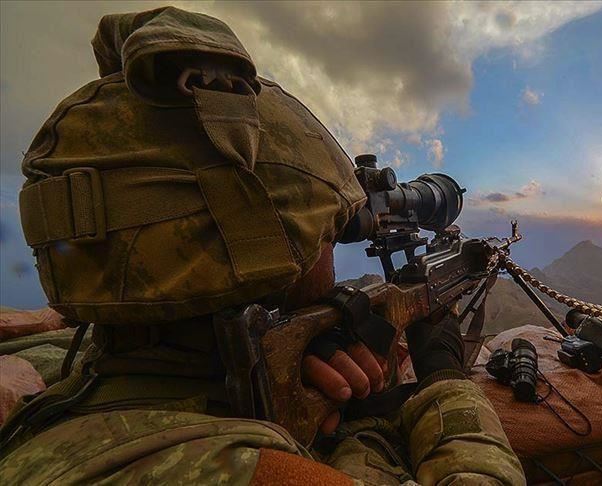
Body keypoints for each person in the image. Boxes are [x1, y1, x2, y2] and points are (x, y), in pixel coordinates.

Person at [0, 6, 524, 485]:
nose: (329, 252)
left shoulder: (55, 396)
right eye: (324, 231)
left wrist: (275, 367)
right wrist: (445, 379)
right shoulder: (255, 472)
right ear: (261, 253)